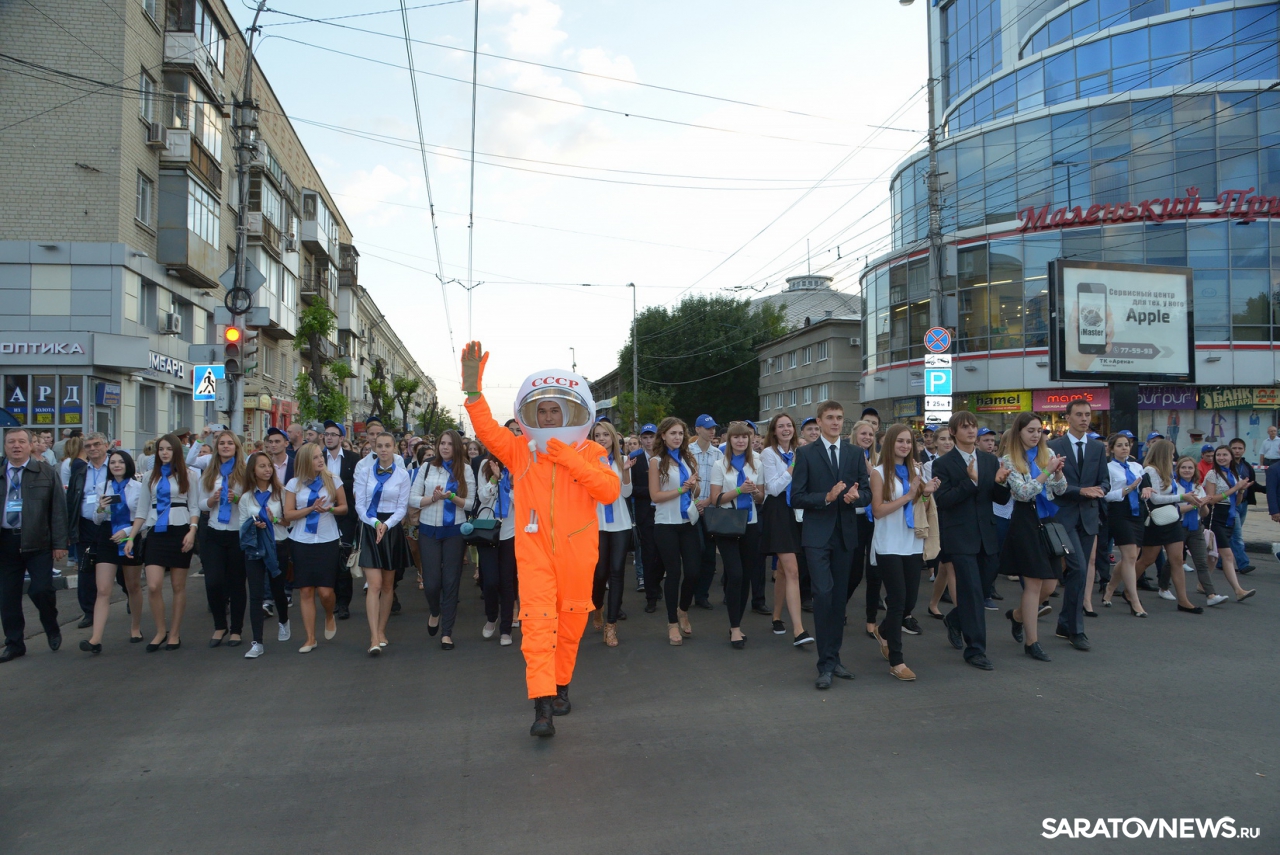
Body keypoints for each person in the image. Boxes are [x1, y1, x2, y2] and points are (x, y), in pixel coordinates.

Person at [461, 341, 620, 737]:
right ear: (531, 414)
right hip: (533, 552)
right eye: (542, 410)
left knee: (571, 622)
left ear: (569, 412)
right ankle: (542, 706)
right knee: (536, 623)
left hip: (578, 554)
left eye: (555, 410)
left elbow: (608, 491)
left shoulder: (591, 451)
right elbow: (487, 431)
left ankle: (561, 685)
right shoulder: (520, 450)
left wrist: (569, 458)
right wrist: (473, 392)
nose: (548, 416)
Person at [791, 400, 871, 689]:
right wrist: (826, 497)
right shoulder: (805, 453)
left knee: (838, 600)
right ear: (819, 421)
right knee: (823, 595)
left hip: (845, 535)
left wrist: (856, 497)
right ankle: (824, 664)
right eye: (830, 418)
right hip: (817, 536)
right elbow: (796, 497)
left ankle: (833, 658)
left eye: (839, 418)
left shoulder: (854, 453)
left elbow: (867, 492)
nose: (835, 422)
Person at [933, 411, 1011, 671]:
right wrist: (970, 482)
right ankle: (976, 650)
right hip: (959, 536)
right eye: (964, 427)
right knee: (973, 592)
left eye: (973, 426)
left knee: (982, 587)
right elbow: (943, 500)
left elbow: (999, 498)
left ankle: (955, 619)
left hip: (987, 534)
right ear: (953, 432)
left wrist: (1001, 483)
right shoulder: (943, 463)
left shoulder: (989, 460)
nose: (970, 430)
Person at [869, 424, 939, 680]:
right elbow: (878, 511)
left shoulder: (916, 470)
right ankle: (897, 661)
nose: (905, 446)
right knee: (898, 600)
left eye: (909, 442)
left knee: (909, 601)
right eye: (900, 441)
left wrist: (925, 494)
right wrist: (909, 495)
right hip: (888, 543)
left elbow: (920, 505)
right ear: (890, 443)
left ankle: (883, 630)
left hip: (912, 542)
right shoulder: (878, 473)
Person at [998, 413, 1067, 662]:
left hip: (1047, 520)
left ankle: (1017, 616)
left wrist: (1057, 474)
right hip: (1025, 521)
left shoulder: (1047, 454)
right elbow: (1023, 492)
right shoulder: (1009, 459)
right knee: (1033, 584)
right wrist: (1047, 472)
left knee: (1049, 585)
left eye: (1039, 430)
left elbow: (1060, 490)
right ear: (1019, 432)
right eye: (1030, 430)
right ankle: (1032, 642)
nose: (1036, 435)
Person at [0, 428, 69, 662]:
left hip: (38, 542)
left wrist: (60, 543)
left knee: (41, 590)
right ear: (5, 446)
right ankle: (14, 643)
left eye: (21, 441)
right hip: (6, 543)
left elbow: (58, 510)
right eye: (11, 442)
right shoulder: (1, 473)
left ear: (30, 445)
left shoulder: (46, 472)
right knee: (7, 597)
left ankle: (51, 625)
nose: (16, 446)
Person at [125, 434, 198, 651]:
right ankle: (160, 631)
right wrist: (131, 537)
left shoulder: (189, 475)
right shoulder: (150, 476)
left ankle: (174, 633)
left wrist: (192, 531)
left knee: (178, 586)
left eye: (169, 449)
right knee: (154, 585)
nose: (164, 453)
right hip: (156, 531)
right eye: (161, 449)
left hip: (180, 529)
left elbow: (194, 507)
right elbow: (142, 510)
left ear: (176, 451)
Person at [1047, 399, 1108, 653]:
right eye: (1079, 414)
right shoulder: (1053, 446)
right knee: (1079, 569)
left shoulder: (1097, 447)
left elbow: (1104, 481)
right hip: (1064, 517)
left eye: (1088, 414)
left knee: (1077, 574)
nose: (1084, 419)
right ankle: (1076, 630)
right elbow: (1051, 484)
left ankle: (1065, 623)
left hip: (1089, 518)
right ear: (1068, 417)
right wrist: (1081, 491)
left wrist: (1100, 490)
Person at [412, 430, 476, 650]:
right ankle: (434, 610)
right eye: (442, 443)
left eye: (449, 444)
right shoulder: (427, 467)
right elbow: (413, 498)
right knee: (431, 583)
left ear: (456, 447)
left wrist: (452, 497)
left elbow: (470, 504)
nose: (445, 447)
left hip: (454, 531)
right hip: (428, 530)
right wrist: (433, 498)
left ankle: (447, 633)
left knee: (451, 582)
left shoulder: (465, 469)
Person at [282, 442, 347, 653]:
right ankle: (310, 638)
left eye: (321, 456)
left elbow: (344, 507)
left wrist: (330, 509)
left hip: (327, 539)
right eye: (316, 457)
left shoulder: (333, 479)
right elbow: (288, 514)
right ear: (305, 461)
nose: (321, 460)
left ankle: (329, 614)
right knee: (306, 590)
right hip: (302, 541)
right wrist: (311, 508)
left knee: (326, 592)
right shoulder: (294, 484)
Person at [80, 449, 144, 652]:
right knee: (103, 589)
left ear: (128, 465)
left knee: (132, 586)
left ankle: (135, 627)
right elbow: (97, 519)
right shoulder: (103, 486)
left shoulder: (138, 487)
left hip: (130, 534)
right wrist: (100, 508)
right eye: (113, 462)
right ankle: (95, 638)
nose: (116, 465)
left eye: (121, 462)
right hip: (107, 535)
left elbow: (144, 517)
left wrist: (127, 532)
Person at [707, 421, 763, 649]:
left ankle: (736, 624)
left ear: (750, 440)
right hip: (728, 525)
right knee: (736, 574)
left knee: (746, 575)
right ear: (729, 440)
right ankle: (735, 626)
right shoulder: (720, 464)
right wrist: (739, 490)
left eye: (744, 437)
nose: (741, 440)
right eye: (736, 437)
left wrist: (755, 492)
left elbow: (761, 497)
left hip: (750, 523)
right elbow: (715, 499)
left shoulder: (756, 463)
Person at [759, 413, 813, 647]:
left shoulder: (801, 451)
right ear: (774, 431)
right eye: (781, 426)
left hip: (798, 510)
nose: (786, 429)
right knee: (792, 569)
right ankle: (799, 630)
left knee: (783, 569)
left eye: (789, 425)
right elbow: (772, 488)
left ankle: (776, 616)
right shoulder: (768, 454)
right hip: (778, 510)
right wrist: (792, 467)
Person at [1132, 439, 1203, 614]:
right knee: (1147, 559)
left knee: (1177, 559)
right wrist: (1182, 498)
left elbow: (1170, 494)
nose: (1173, 456)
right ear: (1163, 454)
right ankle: (1128, 589)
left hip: (1171, 518)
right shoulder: (1150, 470)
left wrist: (1184, 497)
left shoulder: (1168, 471)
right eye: (1171, 453)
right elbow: (1155, 498)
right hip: (1157, 519)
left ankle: (1183, 600)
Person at [355, 432, 411, 655]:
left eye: (388, 445)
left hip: (391, 529)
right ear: (374, 448)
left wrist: (386, 524)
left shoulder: (402, 475)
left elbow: (402, 507)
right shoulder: (364, 472)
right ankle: (373, 638)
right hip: (370, 527)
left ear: (394, 447)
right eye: (380, 446)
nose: (384, 449)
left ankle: (381, 630)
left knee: (388, 585)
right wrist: (375, 522)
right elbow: (359, 505)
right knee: (375, 584)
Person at [649, 417, 702, 647]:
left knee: (693, 571)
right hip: (666, 524)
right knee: (673, 573)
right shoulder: (656, 461)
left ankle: (683, 609)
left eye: (680, 433)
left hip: (687, 521)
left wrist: (694, 485)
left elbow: (695, 491)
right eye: (673, 433)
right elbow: (655, 496)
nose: (677, 437)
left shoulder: (688, 458)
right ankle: (672, 623)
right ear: (663, 436)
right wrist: (682, 489)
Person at [238, 451, 291, 658]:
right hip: (255, 548)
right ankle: (257, 642)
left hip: (278, 545)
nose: (267, 469)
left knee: (278, 590)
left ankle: (284, 620)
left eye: (269, 465)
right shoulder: (246, 497)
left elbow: (289, 521)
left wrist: (273, 520)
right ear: (253, 470)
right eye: (262, 466)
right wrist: (254, 524)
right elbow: (242, 526)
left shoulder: (281, 493)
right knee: (256, 594)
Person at [197, 430, 247, 648]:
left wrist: (237, 498)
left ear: (236, 447)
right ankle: (220, 625)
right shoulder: (210, 473)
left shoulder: (244, 472)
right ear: (216, 448)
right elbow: (200, 503)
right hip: (214, 532)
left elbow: (252, 502)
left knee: (237, 583)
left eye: (230, 443)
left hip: (237, 533)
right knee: (213, 582)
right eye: (222, 443)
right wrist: (211, 500)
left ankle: (236, 630)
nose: (226, 446)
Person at [588, 420, 633, 647]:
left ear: (613, 437)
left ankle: (611, 625)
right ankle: (597, 606)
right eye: (597, 435)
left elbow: (627, 492)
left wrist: (625, 472)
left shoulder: (622, 460)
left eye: (606, 435)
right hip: (596, 524)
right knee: (599, 574)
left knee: (617, 572)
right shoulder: (587, 461)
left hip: (620, 523)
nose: (602, 439)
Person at [1201, 446, 1257, 603]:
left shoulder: (1234, 474)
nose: (1221, 457)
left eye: (1224, 455)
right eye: (1218, 455)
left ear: (1231, 457)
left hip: (1230, 515)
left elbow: (1238, 502)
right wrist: (1234, 489)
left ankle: (1202, 584)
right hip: (1216, 516)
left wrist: (1241, 490)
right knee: (1227, 555)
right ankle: (1238, 591)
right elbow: (1211, 499)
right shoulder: (1213, 474)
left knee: (1213, 557)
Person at [65, 433, 108, 628]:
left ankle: (131, 599)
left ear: (105, 445)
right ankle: (89, 612)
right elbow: (71, 501)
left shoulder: (116, 466)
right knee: (86, 570)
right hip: (86, 526)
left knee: (122, 569)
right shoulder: (80, 471)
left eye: (96, 444)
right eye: (88, 445)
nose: (92, 448)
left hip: (112, 526)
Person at [1173, 457, 1228, 608]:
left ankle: (1211, 595)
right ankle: (1163, 587)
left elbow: (1204, 513)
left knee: (1202, 562)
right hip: (1178, 526)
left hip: (1196, 527)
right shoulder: (1174, 486)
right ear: (1178, 470)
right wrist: (1195, 504)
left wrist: (1202, 505)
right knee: (1174, 561)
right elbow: (1176, 510)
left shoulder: (1198, 487)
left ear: (1194, 470)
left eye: (1190, 468)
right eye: (1184, 468)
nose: (1187, 470)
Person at [1102, 433, 1145, 613]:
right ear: (1112, 449)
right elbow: (1105, 495)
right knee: (1130, 556)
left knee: (1132, 557)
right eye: (1119, 445)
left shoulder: (1137, 466)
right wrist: (1127, 489)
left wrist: (1146, 489)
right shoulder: (1107, 468)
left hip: (1137, 512)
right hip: (1119, 511)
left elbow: (1145, 486)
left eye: (1126, 444)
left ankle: (1110, 588)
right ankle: (1134, 601)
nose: (1124, 448)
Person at [477, 456, 518, 645]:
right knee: (490, 581)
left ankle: (506, 629)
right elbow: (482, 497)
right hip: (487, 531)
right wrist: (494, 478)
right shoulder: (486, 465)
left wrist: (510, 485)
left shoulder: (519, 465)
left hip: (510, 532)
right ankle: (492, 617)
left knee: (507, 582)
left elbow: (523, 502)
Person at [321, 420, 359, 620]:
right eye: (326, 434)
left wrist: (337, 484)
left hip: (346, 515)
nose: (329, 438)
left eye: (333, 434)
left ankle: (344, 602)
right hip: (323, 514)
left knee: (344, 558)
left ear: (342, 438)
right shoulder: (318, 458)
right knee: (328, 559)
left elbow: (358, 483)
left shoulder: (353, 458)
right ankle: (332, 599)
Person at [687, 414, 723, 612]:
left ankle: (702, 595)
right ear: (697, 429)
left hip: (711, 509)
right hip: (691, 508)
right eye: (708, 428)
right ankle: (689, 591)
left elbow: (720, 481)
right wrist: (695, 502)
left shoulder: (718, 454)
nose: (712, 431)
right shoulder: (687, 451)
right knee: (695, 551)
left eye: (713, 428)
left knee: (709, 555)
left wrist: (708, 501)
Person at [848, 419, 878, 636]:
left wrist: (871, 469)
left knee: (876, 571)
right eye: (863, 434)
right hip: (856, 517)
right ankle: (839, 605)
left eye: (871, 434)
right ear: (855, 435)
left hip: (876, 519)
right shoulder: (847, 457)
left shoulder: (878, 459)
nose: (867, 437)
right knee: (855, 572)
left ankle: (871, 619)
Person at [925, 425, 958, 621]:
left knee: (945, 568)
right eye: (943, 439)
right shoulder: (930, 465)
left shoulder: (960, 462)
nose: (947, 442)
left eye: (950, 439)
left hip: (957, 517)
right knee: (950, 565)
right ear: (935, 442)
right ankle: (961, 614)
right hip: (938, 518)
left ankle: (933, 603)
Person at [634, 424, 665, 613]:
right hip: (645, 514)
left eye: (651, 437)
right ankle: (651, 596)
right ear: (641, 439)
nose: (648, 441)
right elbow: (631, 489)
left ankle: (656, 582)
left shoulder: (666, 459)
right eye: (645, 437)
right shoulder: (635, 460)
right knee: (648, 554)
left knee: (662, 555)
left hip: (664, 512)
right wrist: (653, 491)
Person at [1227, 439, 1257, 575]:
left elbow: (1252, 484)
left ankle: (1221, 561)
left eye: (1240, 448)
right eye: (1234, 448)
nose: (1237, 451)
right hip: (1231, 504)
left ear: (1244, 450)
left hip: (1243, 503)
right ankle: (1243, 563)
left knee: (1231, 534)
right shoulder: (1226, 465)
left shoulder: (1246, 466)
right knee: (1237, 536)